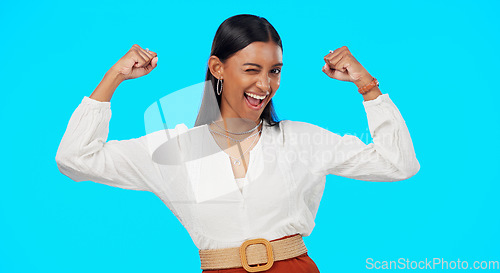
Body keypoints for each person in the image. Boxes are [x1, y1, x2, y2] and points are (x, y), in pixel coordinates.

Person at [55, 14, 420, 273]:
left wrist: (368, 87)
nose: (265, 84)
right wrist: (114, 77)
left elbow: (398, 164)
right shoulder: (172, 149)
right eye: (251, 69)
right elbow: (75, 158)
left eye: (274, 71)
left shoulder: (302, 139)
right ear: (217, 68)